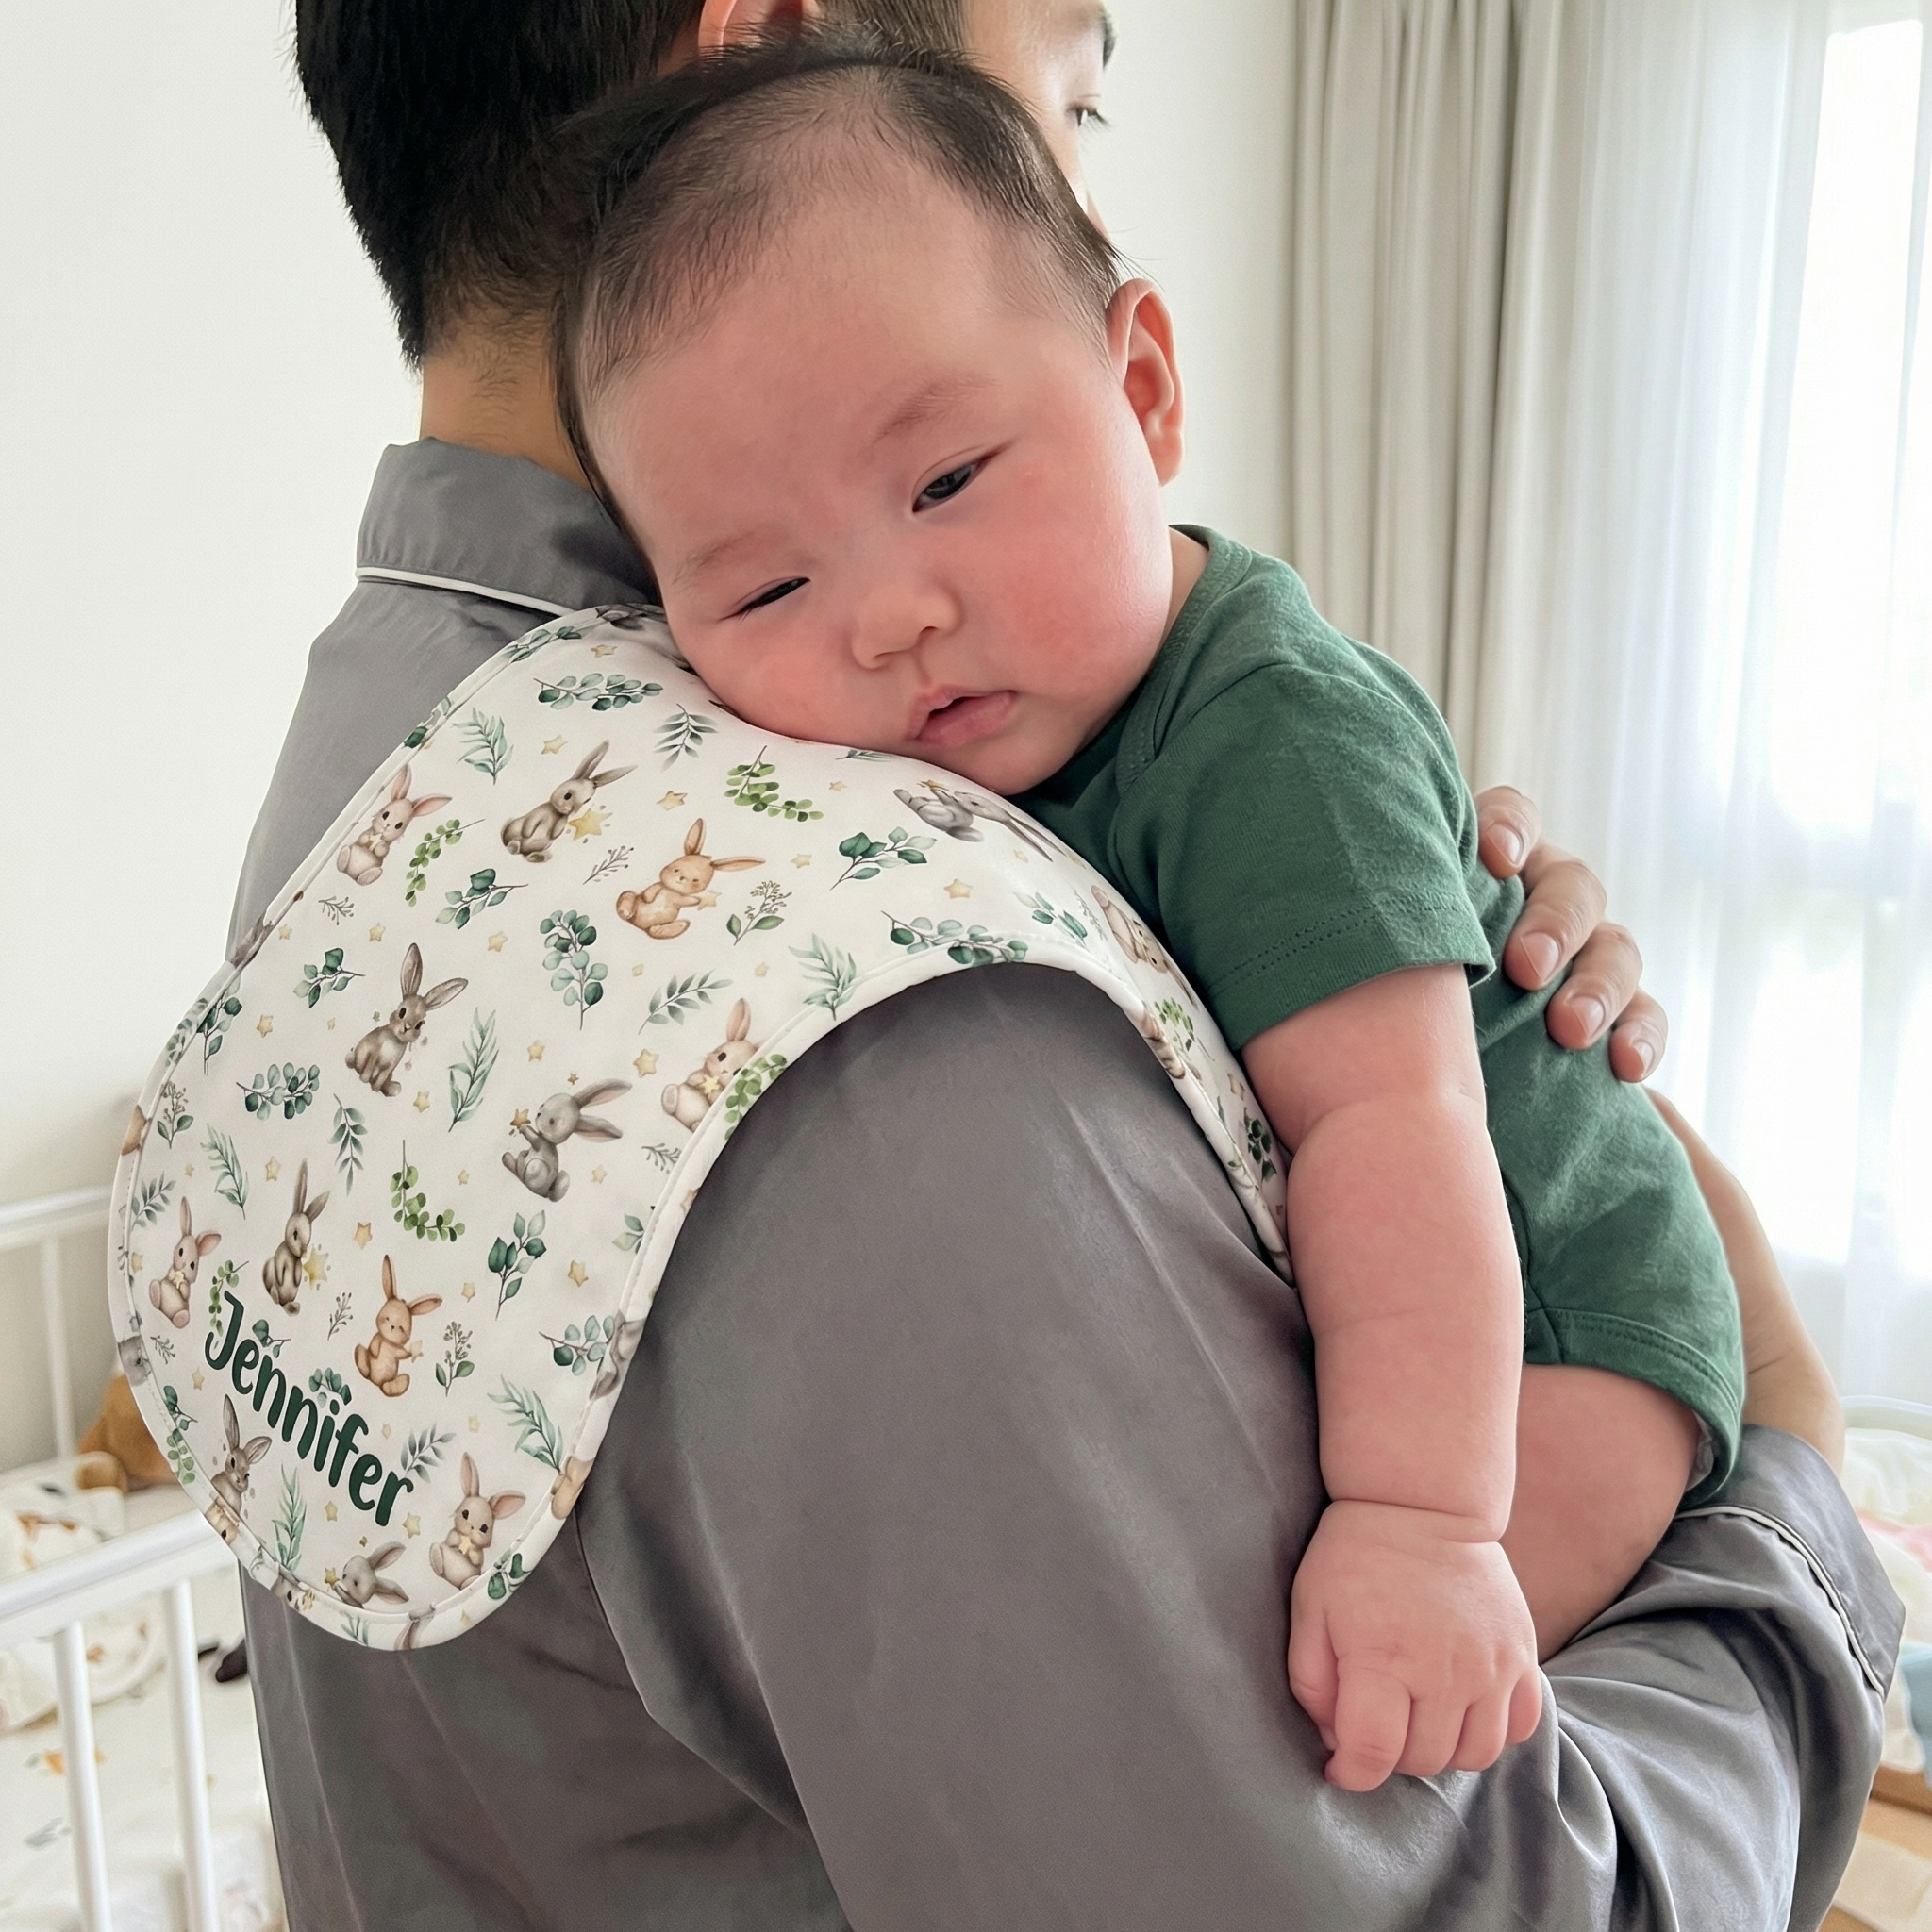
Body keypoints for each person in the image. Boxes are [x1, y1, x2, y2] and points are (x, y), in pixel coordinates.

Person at [234, 3, 1890, 1926]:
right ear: (775, 38)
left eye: (947, 480)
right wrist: (1796, 1474)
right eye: (1070, 95)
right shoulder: (882, 1005)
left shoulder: (375, 761)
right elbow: (1434, 1880)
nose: (886, 616)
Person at [553, 36, 1743, 1791]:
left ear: (1146, 389)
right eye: (770, 585)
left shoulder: (1273, 734)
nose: (886, 615)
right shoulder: (956, 740)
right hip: (1405, 1323)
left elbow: (1400, 1130)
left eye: (948, 482)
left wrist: (1419, 1523)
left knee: (1360, 1739)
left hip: (1563, 1336)